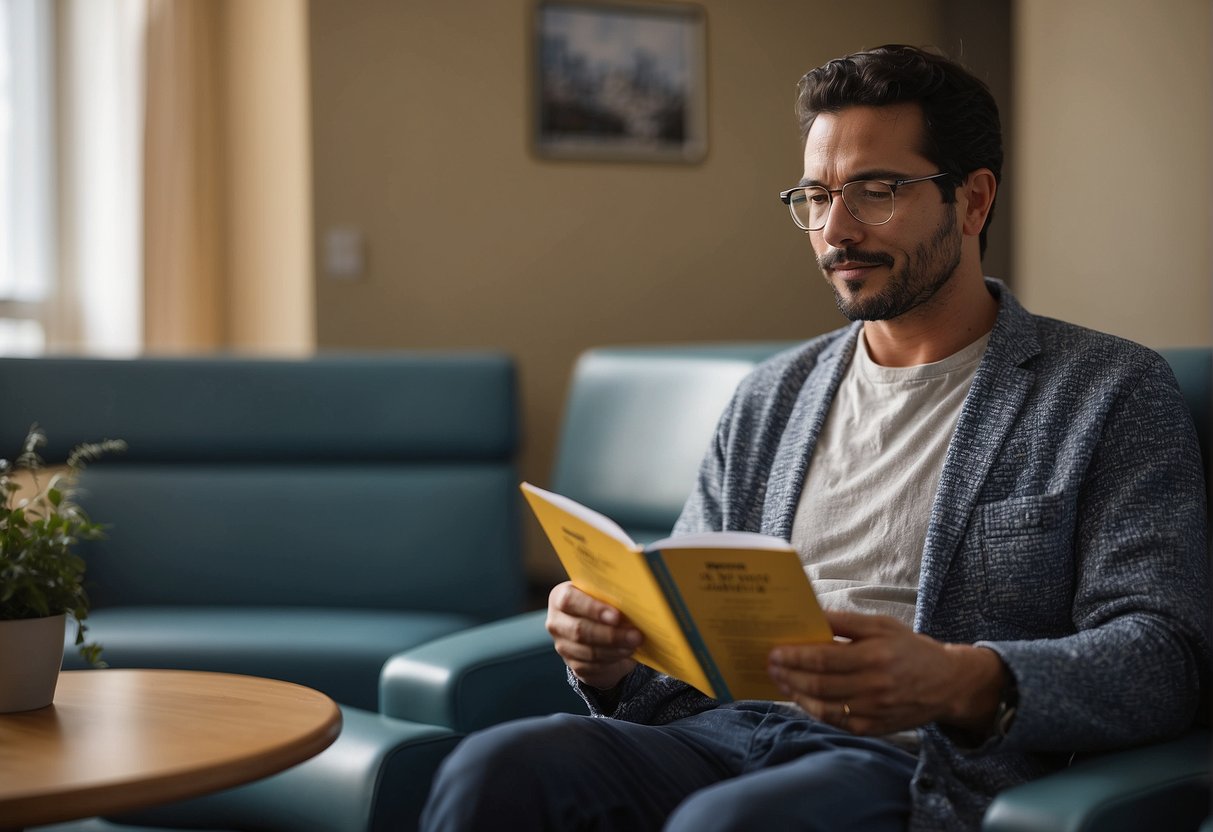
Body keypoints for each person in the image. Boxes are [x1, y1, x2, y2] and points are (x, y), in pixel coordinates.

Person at [420, 44, 1209, 831]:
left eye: (876, 190)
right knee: (494, 768)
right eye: (816, 195)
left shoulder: (1106, 391)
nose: (836, 229)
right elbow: (678, 654)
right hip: (720, 735)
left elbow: (1163, 655)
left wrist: (961, 678)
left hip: (908, 761)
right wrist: (613, 656)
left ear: (971, 202)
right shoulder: (770, 396)